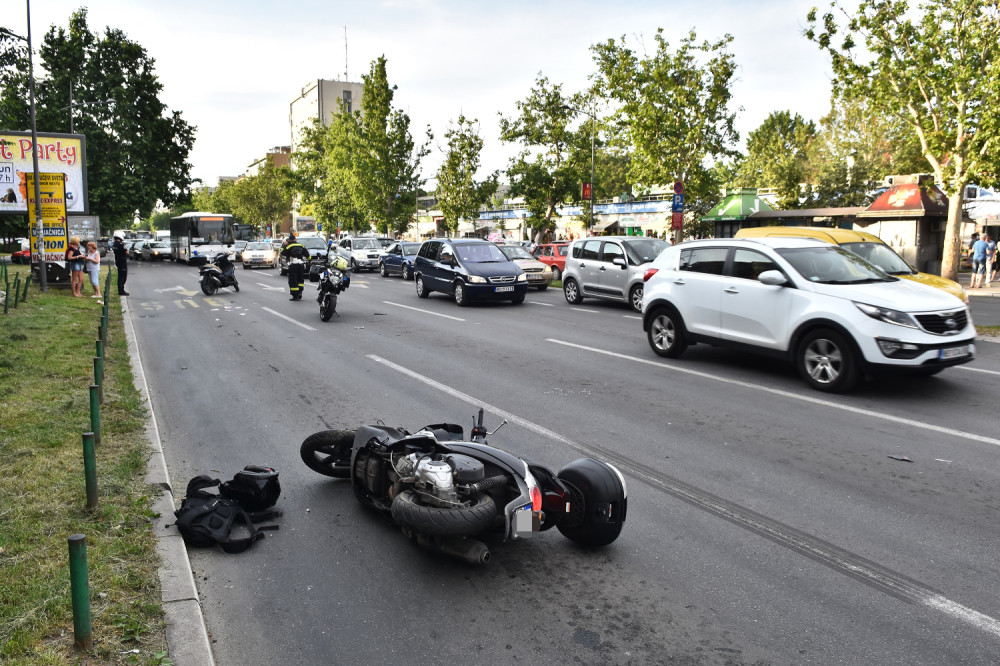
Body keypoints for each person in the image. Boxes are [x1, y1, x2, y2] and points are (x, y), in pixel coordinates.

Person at [280, 233, 309, 300]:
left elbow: (283, 253)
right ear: (295, 239)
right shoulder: (301, 245)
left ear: (289, 240)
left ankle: (295, 296)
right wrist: (310, 260)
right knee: (300, 279)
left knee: (293, 279)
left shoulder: (288, 246)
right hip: (301, 264)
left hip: (293, 264)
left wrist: (284, 245)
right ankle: (300, 293)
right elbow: (307, 254)